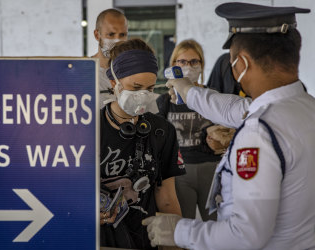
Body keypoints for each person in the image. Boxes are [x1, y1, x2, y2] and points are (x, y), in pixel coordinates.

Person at [143, 2, 315, 249]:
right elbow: (234, 109)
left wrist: (179, 231)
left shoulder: (259, 132)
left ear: (242, 64)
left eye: (232, 61)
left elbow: (246, 235)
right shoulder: (305, 107)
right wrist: (189, 91)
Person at [100, 38, 185, 249]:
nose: (143, 96)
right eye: (136, 87)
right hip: (98, 240)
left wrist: (174, 243)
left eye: (149, 88)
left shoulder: (162, 131)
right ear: (114, 83)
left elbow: (166, 197)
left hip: (144, 239)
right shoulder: (87, 128)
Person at [156, 39, 234, 221]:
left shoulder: (211, 97)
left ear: (201, 65)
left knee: (216, 225)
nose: (188, 66)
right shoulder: (165, 102)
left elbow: (229, 130)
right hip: (179, 173)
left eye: (193, 62)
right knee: (183, 225)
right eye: (182, 62)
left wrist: (223, 136)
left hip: (211, 169)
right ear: (173, 65)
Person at [91, 8, 128, 108]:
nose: (117, 40)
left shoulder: (131, 72)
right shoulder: (83, 71)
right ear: (97, 35)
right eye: (111, 34)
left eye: (122, 35)